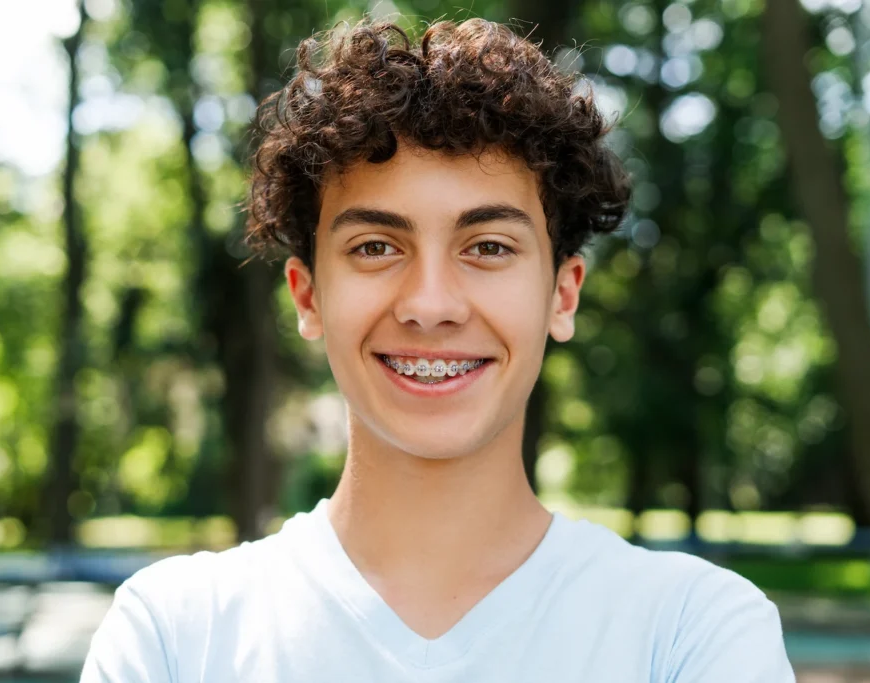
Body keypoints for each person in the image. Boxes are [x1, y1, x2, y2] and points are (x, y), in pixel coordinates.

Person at [81, 17, 796, 682]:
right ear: (308, 297)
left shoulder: (692, 634)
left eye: (487, 246)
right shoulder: (175, 635)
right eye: (375, 246)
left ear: (562, 293)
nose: (430, 304)